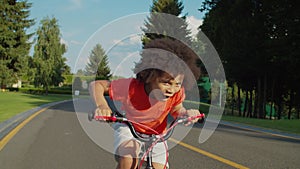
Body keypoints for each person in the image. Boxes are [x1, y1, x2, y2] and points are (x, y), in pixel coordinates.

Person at [89, 38, 202, 169]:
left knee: (160, 167)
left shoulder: (177, 93)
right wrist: (102, 106)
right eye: (166, 82)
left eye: (177, 84)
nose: (172, 89)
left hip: (156, 134)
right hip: (130, 128)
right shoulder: (131, 87)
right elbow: (96, 85)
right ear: (150, 75)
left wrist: (186, 113)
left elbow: (177, 109)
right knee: (129, 158)